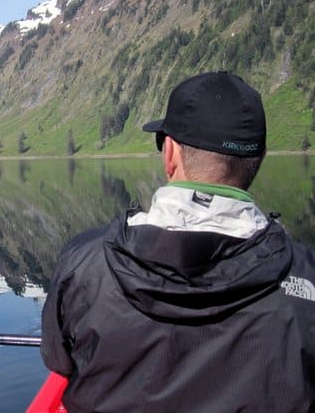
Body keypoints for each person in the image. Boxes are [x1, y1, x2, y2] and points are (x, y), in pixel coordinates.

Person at [41, 71, 315, 413]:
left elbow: (59, 361)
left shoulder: (84, 264)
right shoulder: (307, 278)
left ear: (170, 152)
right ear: (257, 161)